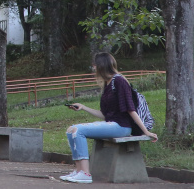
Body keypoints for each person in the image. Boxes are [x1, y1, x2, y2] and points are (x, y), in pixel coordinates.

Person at [61, 52, 158, 184]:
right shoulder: (108, 84)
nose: (93, 68)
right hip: (112, 124)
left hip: (121, 127)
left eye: (94, 65)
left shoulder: (119, 81)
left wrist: (146, 131)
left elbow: (131, 109)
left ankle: (85, 173)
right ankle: (79, 171)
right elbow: (105, 115)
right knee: (70, 130)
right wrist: (83, 107)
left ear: (101, 66)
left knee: (78, 130)